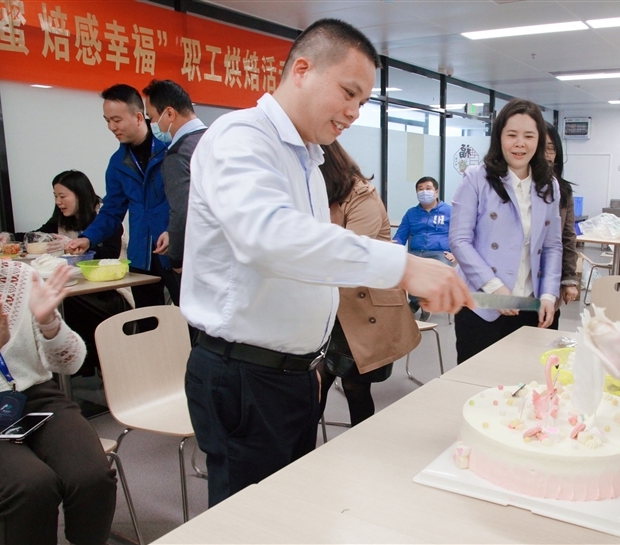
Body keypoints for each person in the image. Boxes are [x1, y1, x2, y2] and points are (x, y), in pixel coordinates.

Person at [181, 18, 471, 507]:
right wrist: (402, 266)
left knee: (288, 508)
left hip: (294, 372)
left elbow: (310, 263)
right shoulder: (241, 138)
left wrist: (311, 362)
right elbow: (271, 238)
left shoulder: (309, 159)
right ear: (302, 70)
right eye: (348, 93)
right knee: (248, 518)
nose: (354, 112)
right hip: (246, 373)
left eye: (363, 102)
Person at [0, 194, 117, 544]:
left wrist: (49, 325)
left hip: (34, 399)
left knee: (91, 476)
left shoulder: (18, 275)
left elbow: (70, 363)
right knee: (32, 487)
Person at [449, 98, 563, 364]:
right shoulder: (476, 178)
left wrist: (549, 294)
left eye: (529, 136)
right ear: (499, 137)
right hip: (483, 303)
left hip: (531, 304)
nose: (520, 143)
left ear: (539, 140)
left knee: (527, 380)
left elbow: (552, 246)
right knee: (477, 378)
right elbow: (459, 240)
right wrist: (494, 288)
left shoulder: (549, 185)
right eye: (512, 135)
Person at [317, 140, 420, 426]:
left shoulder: (362, 196)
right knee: (316, 383)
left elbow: (349, 256)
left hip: (362, 308)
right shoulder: (312, 195)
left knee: (354, 386)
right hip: (327, 306)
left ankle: (359, 442)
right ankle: (303, 448)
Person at [65, 84, 180, 307]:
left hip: (174, 249)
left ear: (138, 117)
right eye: (107, 120)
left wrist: (176, 232)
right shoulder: (118, 163)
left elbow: (188, 201)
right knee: (148, 319)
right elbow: (112, 210)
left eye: (116, 120)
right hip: (141, 257)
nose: (111, 127)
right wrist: (88, 238)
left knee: (189, 318)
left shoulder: (171, 150)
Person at [12, 171, 130, 376]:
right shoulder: (62, 222)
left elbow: (108, 255)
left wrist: (73, 245)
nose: (58, 202)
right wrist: (8, 238)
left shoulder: (105, 220)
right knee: (53, 300)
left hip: (110, 291)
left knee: (62, 300)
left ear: (79, 195)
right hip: (79, 290)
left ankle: (96, 369)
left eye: (62, 196)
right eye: (55, 196)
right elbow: (36, 235)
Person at [142, 79, 207, 274]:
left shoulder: (178, 154)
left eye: (152, 117)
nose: (152, 124)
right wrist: (171, 232)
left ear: (169, 114)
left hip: (200, 258)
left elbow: (182, 210)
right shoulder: (216, 139)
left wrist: (177, 260)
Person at [545, 124, 579, 329]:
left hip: (550, 279)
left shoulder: (563, 190)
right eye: (542, 148)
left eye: (551, 149)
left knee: (544, 331)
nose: (546, 155)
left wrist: (569, 279)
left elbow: (567, 236)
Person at [393, 176, 454, 265]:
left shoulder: (449, 211)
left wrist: (455, 254)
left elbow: (459, 236)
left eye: (428, 188)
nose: (424, 192)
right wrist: (393, 250)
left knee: (439, 271)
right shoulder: (411, 213)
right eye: (420, 189)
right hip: (415, 254)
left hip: (440, 254)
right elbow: (400, 236)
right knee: (398, 269)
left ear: (436, 192)